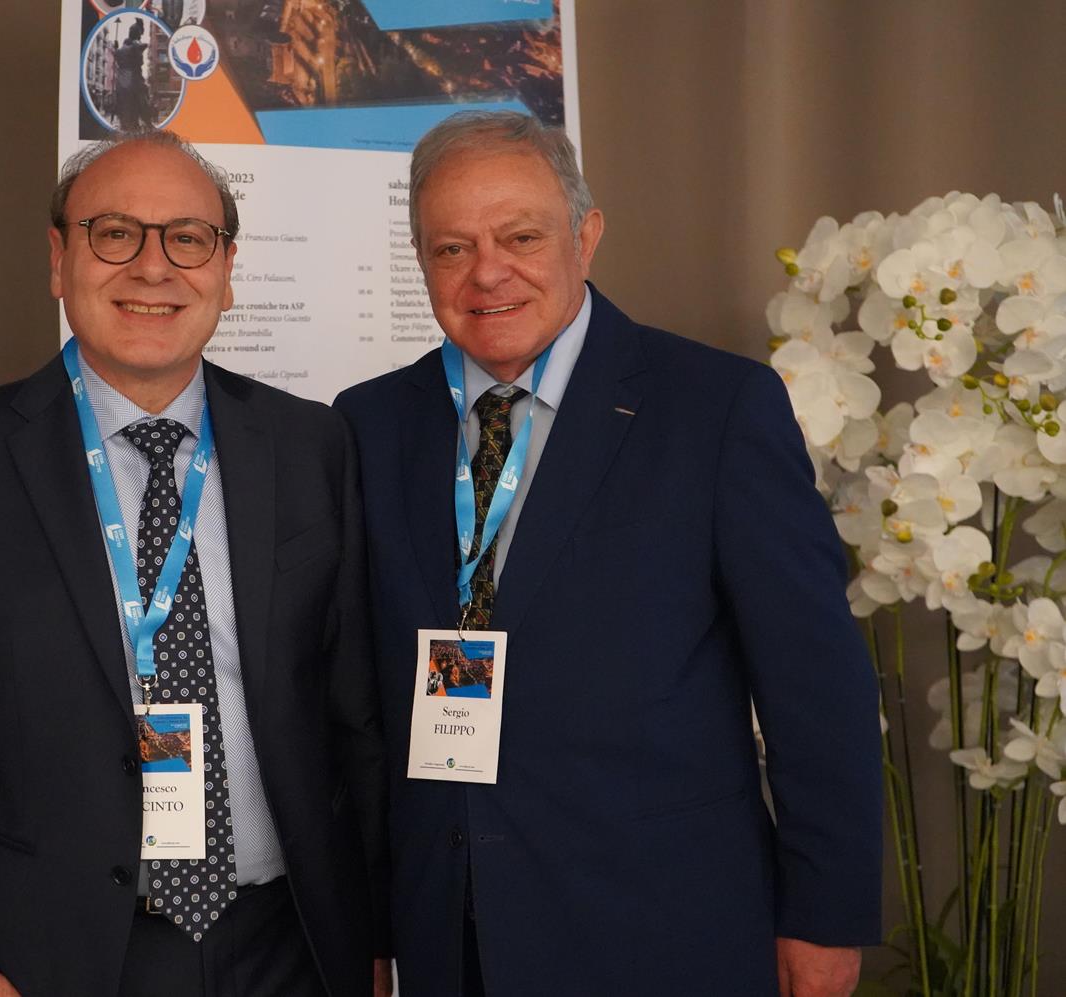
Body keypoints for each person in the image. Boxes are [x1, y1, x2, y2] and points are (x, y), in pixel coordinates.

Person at [333, 110, 881, 997]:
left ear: (585, 236)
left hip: (660, 926)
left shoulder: (717, 408)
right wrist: (367, 922)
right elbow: (356, 706)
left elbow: (818, 688)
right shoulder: (367, 423)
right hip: (450, 933)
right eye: (452, 247)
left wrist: (825, 915)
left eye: (521, 236)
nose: (488, 272)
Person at [0, 131, 389, 997]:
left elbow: (354, 714)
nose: (153, 266)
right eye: (115, 233)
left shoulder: (311, 445)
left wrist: (376, 939)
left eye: (188, 237)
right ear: (59, 259)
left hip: (292, 948)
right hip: (50, 960)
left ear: (227, 268)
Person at [113, 20, 153, 132]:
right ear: (136, 34)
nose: (140, 36)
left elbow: (117, 55)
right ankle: (148, 123)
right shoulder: (134, 46)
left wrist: (116, 48)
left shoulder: (120, 50)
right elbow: (143, 47)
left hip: (122, 81)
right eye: (139, 34)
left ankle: (129, 125)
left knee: (126, 109)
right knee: (142, 100)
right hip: (133, 79)